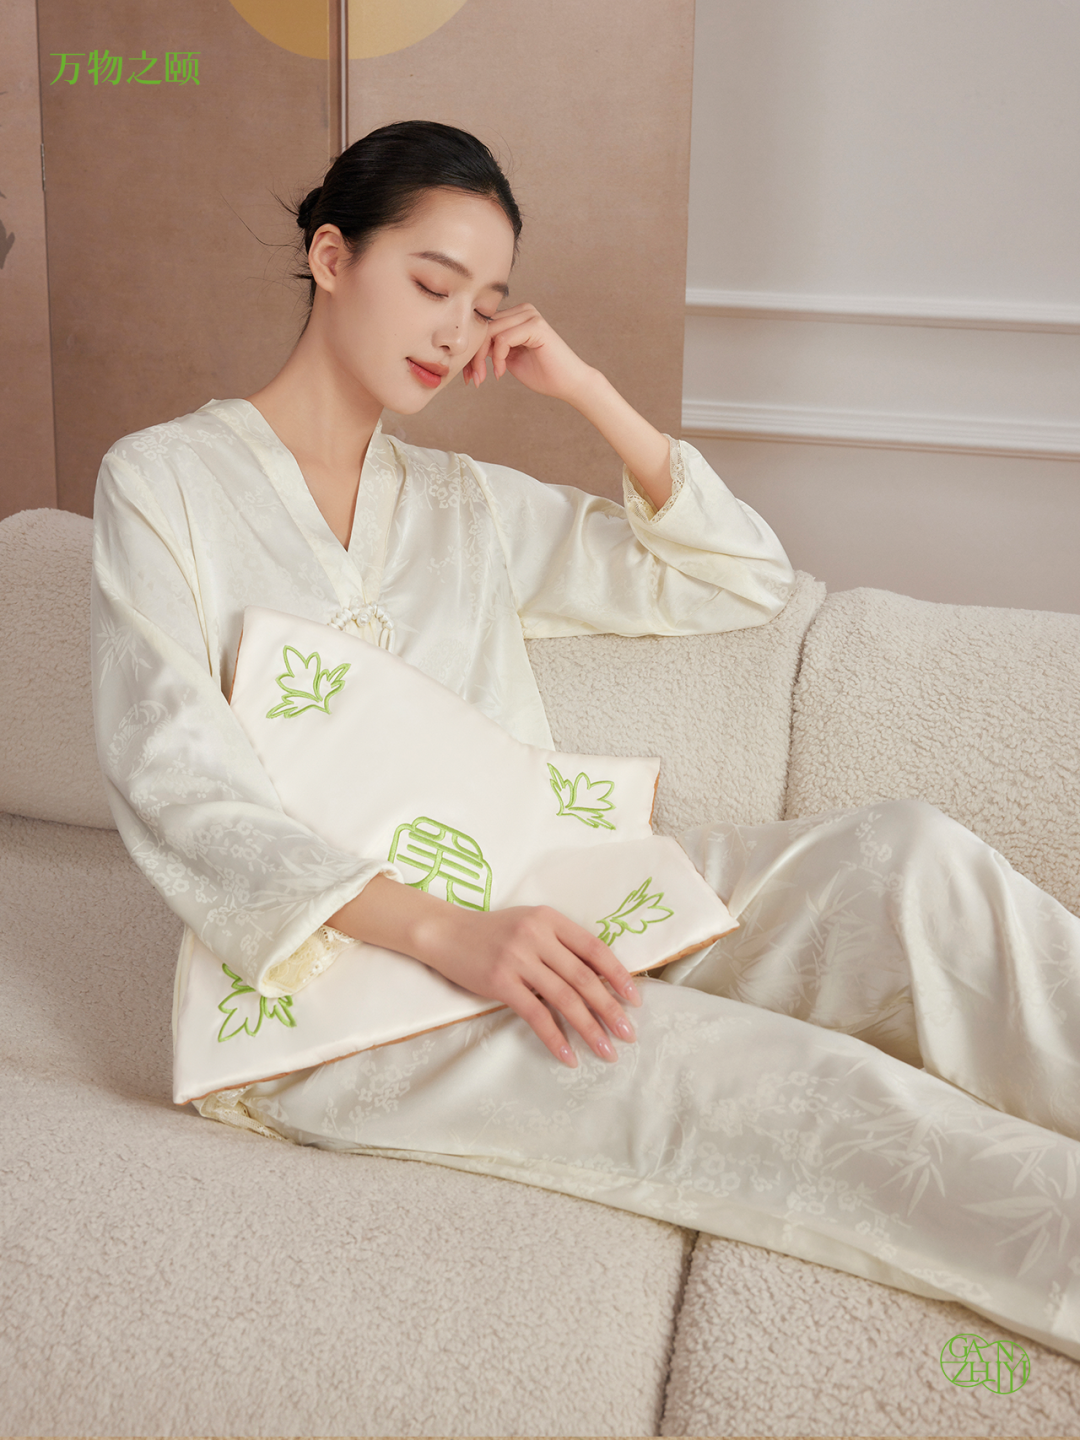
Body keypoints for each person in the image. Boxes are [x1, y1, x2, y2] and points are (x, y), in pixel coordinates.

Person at [92, 120, 1080, 1362]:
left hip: (554, 901)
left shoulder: (463, 508)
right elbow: (178, 779)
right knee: (801, 1088)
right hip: (340, 999)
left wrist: (588, 392)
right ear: (333, 258)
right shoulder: (163, 482)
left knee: (906, 864)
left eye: (485, 303)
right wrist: (454, 932)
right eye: (432, 283)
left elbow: (740, 580)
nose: (455, 330)